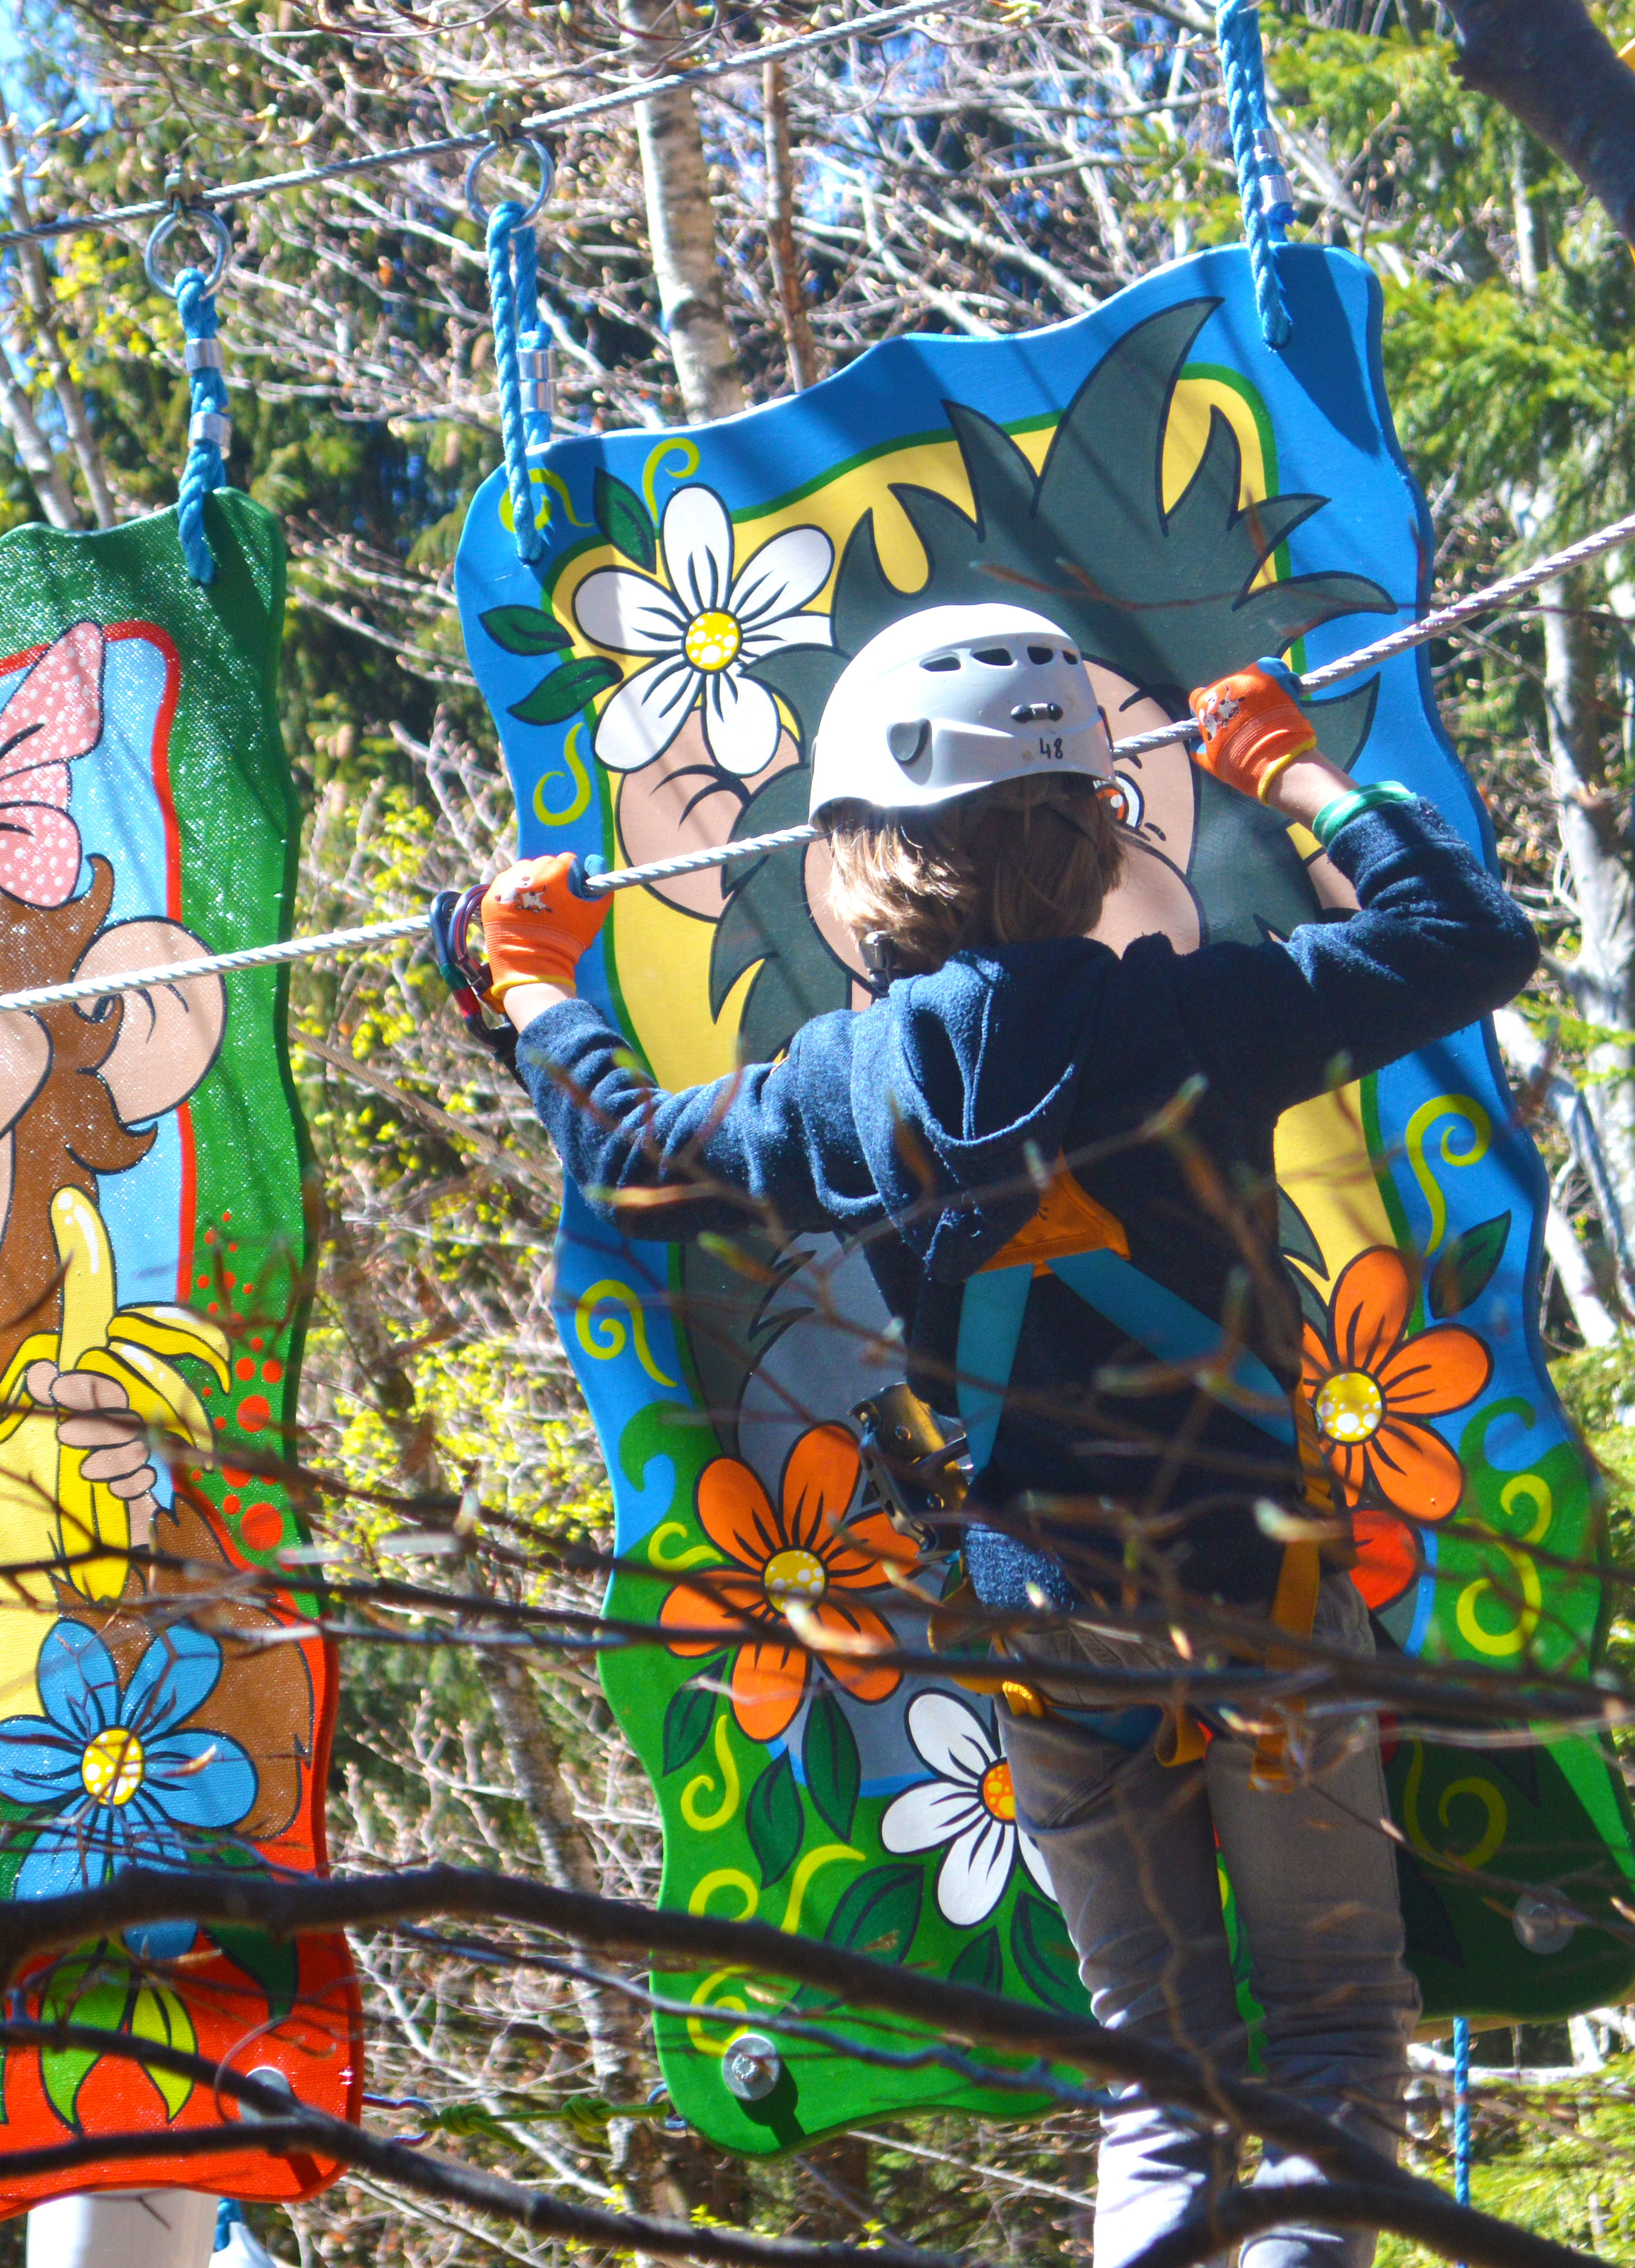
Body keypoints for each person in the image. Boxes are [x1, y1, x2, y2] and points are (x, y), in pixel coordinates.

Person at [475, 602, 1538, 2265]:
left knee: (1154, 2062)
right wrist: (1293, 775)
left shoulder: (833, 1091)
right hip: (1256, 1595)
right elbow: (1466, 937)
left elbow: (627, 1154)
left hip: (1042, 1625)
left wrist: (534, 989)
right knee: (1328, 2025)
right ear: (1094, 832)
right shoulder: (1202, 1017)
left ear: (853, 859)